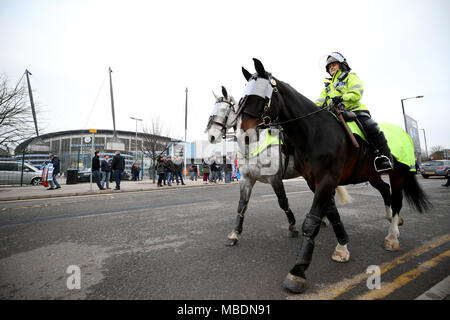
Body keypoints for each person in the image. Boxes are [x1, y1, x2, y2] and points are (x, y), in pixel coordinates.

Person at [315, 52, 393, 172]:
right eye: (329, 67)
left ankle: (385, 158)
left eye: (333, 64)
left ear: (341, 65)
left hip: (355, 111)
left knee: (371, 127)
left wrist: (342, 98)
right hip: (336, 114)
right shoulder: (328, 86)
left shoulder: (350, 77)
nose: (331, 67)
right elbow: (319, 101)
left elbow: (357, 92)